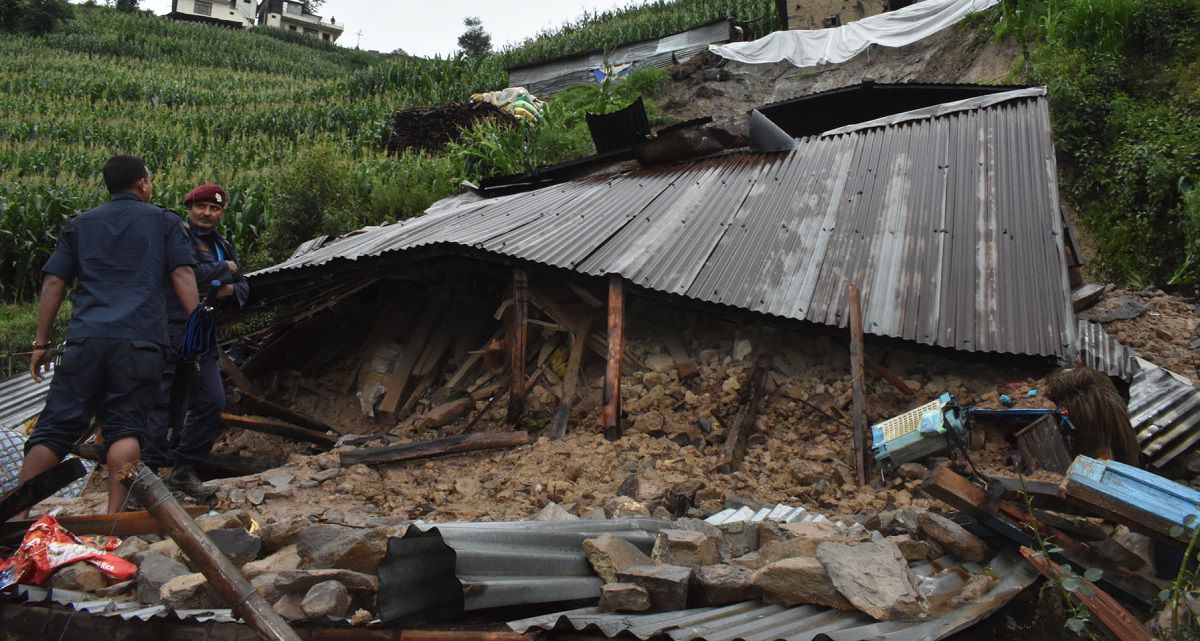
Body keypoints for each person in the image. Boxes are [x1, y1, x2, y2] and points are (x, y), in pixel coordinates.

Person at [20, 155, 199, 515]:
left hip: (86, 340)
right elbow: (182, 275)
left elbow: (54, 280)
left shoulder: (80, 224)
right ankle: (113, 522)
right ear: (143, 184)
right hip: (140, 342)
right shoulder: (165, 222)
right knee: (126, 428)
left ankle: (16, 517)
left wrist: (41, 343)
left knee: (55, 428)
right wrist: (198, 331)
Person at [143, 184, 249, 499]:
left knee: (212, 400)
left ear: (221, 212)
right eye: (201, 206)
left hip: (202, 333)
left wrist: (224, 284)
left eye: (214, 208)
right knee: (160, 402)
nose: (207, 213)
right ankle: (147, 476)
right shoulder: (177, 236)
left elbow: (243, 283)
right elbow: (186, 274)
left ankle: (184, 470)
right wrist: (221, 273)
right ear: (189, 208)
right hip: (169, 328)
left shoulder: (223, 244)